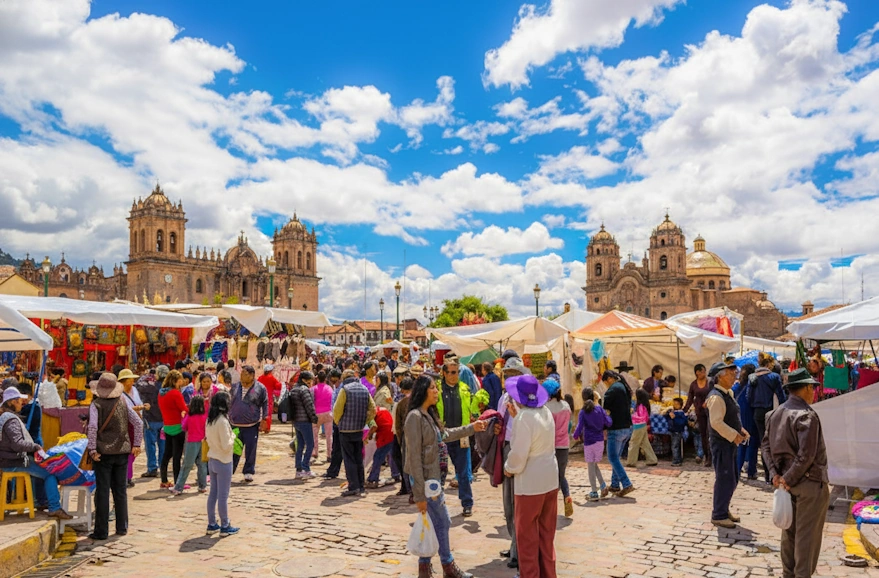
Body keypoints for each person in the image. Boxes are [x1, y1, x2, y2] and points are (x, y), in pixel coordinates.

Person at [405, 375, 487, 578]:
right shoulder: (414, 417)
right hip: (426, 482)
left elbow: (446, 434)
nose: (437, 391)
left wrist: (471, 428)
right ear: (424, 390)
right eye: (433, 388)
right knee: (443, 521)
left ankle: (425, 568)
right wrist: (419, 496)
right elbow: (414, 456)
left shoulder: (428, 415)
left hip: (434, 480)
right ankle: (448, 566)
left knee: (434, 522)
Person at [761, 368, 829, 578]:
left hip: (785, 483)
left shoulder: (773, 414)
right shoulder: (806, 415)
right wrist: (786, 478)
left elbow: (765, 446)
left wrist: (776, 475)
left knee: (789, 535)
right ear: (807, 388)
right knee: (806, 539)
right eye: (812, 388)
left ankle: (788, 574)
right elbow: (806, 454)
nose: (813, 392)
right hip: (808, 484)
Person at [504, 374, 559, 578]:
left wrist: (509, 468)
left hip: (530, 484)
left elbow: (519, 454)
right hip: (549, 479)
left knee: (527, 538)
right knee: (546, 535)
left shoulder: (525, 418)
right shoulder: (544, 412)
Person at [0, 386, 72, 520]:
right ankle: (54, 507)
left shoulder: (5, 417)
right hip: (13, 461)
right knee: (50, 473)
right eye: (18, 401)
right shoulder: (10, 420)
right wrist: (36, 447)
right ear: (12, 402)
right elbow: (17, 444)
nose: (21, 403)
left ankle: (44, 502)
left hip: (8, 460)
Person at [87, 373, 143, 540]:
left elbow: (92, 428)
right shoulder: (123, 402)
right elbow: (138, 423)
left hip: (103, 453)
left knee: (103, 491)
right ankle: (122, 527)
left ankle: (101, 531)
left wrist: (92, 449)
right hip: (122, 451)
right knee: (120, 491)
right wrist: (137, 444)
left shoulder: (96, 404)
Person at [705, 361, 750, 529]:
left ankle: (723, 508)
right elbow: (716, 422)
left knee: (732, 478)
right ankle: (718, 514)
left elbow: (730, 417)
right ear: (720, 377)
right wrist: (734, 435)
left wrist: (741, 430)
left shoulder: (727, 393)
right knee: (725, 478)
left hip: (729, 442)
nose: (734, 377)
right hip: (722, 443)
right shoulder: (716, 396)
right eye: (730, 374)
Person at [436, 359, 474, 517]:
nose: (453, 375)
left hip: (460, 435)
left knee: (463, 472)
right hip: (442, 436)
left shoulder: (465, 389)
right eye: (450, 372)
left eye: (456, 372)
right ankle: (437, 503)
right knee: (438, 472)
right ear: (444, 373)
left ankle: (467, 503)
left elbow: (470, 410)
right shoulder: (436, 389)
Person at [333, 368, 376, 497]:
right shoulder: (364, 389)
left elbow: (337, 410)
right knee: (358, 458)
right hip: (359, 429)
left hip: (346, 430)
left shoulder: (344, 390)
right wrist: (364, 420)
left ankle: (353, 486)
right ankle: (361, 485)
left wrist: (338, 423)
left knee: (349, 459)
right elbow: (373, 409)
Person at [205, 391, 238, 537]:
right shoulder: (223, 422)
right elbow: (227, 445)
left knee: (213, 493)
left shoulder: (210, 420)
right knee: (223, 496)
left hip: (212, 458)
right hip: (224, 461)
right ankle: (225, 524)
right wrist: (234, 435)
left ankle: (212, 523)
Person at [749, 353, 786, 483]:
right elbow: (781, 396)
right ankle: (774, 473)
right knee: (774, 443)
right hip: (772, 412)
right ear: (769, 364)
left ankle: (766, 474)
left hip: (757, 413)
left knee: (763, 444)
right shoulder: (774, 377)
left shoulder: (752, 377)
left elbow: (749, 397)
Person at [229, 365, 268, 483]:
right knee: (234, 449)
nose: (241, 376)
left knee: (250, 449)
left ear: (252, 376)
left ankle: (248, 471)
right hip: (235, 423)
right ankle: (230, 471)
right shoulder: (235, 387)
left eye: (244, 374)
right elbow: (229, 402)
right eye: (241, 374)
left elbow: (265, 404)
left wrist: (265, 419)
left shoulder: (260, 388)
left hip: (252, 424)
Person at [573, 386, 612, 500]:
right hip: (600, 441)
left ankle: (594, 492)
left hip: (589, 441)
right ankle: (603, 485)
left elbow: (579, 427)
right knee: (594, 464)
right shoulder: (599, 409)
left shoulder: (583, 411)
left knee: (591, 466)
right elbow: (609, 422)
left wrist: (575, 436)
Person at [542, 378, 573, 517]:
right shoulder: (566, 406)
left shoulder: (546, 408)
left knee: (550, 478)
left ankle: (550, 507)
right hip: (564, 445)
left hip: (550, 446)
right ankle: (567, 496)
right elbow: (569, 425)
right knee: (561, 474)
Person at [602, 370, 635, 496]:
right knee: (616, 458)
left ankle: (626, 483)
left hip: (616, 428)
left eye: (605, 382)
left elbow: (606, 410)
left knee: (612, 457)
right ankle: (615, 484)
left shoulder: (612, 390)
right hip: (627, 427)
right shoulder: (624, 387)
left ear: (609, 379)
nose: (606, 385)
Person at [171, 396, 208, 495]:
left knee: (186, 465)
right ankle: (202, 485)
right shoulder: (205, 416)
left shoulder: (190, 416)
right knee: (202, 464)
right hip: (203, 441)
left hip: (192, 442)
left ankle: (179, 487)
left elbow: (184, 427)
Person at [158, 369, 188, 489]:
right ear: (176, 380)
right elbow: (183, 408)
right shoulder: (175, 393)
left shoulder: (161, 393)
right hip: (177, 427)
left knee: (167, 454)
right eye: (180, 380)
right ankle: (178, 482)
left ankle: (164, 480)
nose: (182, 382)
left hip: (167, 427)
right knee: (177, 456)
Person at [137, 365, 166, 478]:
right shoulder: (167, 388)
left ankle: (152, 468)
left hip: (150, 419)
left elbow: (138, 385)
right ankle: (162, 466)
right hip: (164, 419)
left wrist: (145, 376)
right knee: (163, 445)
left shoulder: (149, 387)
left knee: (150, 445)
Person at [289, 370, 318, 479]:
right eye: (310, 381)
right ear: (305, 380)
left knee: (300, 446)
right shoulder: (304, 390)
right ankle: (306, 468)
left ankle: (298, 469)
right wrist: (314, 418)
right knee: (310, 445)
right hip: (305, 421)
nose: (311, 383)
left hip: (296, 421)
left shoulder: (294, 389)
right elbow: (309, 406)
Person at [732, 364, 759, 480]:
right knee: (752, 444)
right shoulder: (754, 385)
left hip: (739, 416)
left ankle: (737, 471)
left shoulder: (738, 386)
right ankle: (751, 471)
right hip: (752, 415)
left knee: (741, 444)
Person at [683, 364, 712, 466]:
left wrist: (708, 401)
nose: (704, 373)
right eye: (702, 371)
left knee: (711, 434)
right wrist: (684, 410)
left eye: (705, 371)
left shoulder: (710, 382)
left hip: (711, 411)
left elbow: (714, 393)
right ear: (697, 372)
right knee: (703, 434)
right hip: (700, 412)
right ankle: (707, 457)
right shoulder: (693, 385)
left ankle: (713, 455)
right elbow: (690, 398)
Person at [392, 377, 413, 499]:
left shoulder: (401, 402)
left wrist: (400, 440)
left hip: (404, 436)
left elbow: (398, 425)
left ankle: (409, 487)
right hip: (411, 435)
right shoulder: (419, 399)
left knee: (405, 462)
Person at [627, 388, 658, 467]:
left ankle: (631, 461)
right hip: (642, 425)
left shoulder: (640, 406)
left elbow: (640, 417)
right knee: (645, 443)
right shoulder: (645, 405)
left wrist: (632, 415)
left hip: (638, 426)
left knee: (633, 443)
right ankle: (652, 459)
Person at [366, 405, 394, 488]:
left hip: (385, 435)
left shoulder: (371, 413)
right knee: (392, 455)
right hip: (391, 431)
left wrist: (369, 435)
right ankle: (396, 475)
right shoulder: (380, 409)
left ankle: (373, 479)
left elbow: (374, 426)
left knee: (378, 457)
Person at [311, 369, 335, 462]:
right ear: (325, 379)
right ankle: (329, 454)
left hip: (317, 414)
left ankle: (315, 452)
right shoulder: (330, 388)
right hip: (328, 413)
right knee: (329, 436)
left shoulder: (313, 389)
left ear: (317, 379)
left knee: (314, 435)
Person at [257, 364, 283, 433]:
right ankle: (267, 428)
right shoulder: (272, 378)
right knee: (268, 413)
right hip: (268, 398)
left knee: (261, 413)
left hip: (260, 398)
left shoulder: (260, 378)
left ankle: (261, 427)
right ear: (270, 371)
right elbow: (278, 386)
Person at [664, 397, 688, 467]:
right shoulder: (673, 412)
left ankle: (676, 460)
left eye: (676, 404)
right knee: (674, 445)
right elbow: (666, 418)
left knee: (675, 446)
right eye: (674, 404)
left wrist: (674, 418)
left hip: (678, 431)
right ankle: (677, 458)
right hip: (672, 431)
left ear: (680, 405)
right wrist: (668, 414)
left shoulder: (681, 414)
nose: (675, 405)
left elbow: (682, 422)